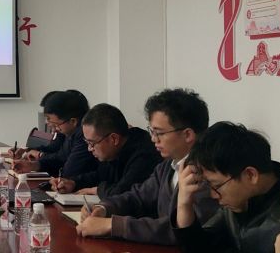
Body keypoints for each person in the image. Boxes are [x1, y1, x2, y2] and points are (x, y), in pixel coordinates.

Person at [77, 88, 218, 245]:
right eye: (151, 131)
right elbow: (137, 197)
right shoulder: (167, 166)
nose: (153, 139)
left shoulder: (209, 172)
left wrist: (113, 225)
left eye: (159, 133)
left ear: (188, 135)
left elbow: (185, 229)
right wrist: (103, 208)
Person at [173, 122, 280, 253]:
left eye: (217, 185)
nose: (213, 195)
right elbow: (202, 247)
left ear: (250, 175)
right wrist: (184, 204)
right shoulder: (238, 201)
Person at [50, 103, 161, 197]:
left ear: (114, 139)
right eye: (87, 143)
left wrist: (97, 190)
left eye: (92, 143)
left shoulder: (144, 154)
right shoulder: (114, 151)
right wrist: (74, 183)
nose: (89, 149)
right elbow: (100, 175)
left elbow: (126, 192)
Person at [13, 89, 98, 178]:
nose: (48, 123)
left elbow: (67, 171)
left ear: (73, 121)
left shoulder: (84, 135)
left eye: (56, 124)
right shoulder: (69, 132)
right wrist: (33, 164)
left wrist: (40, 156)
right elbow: (58, 156)